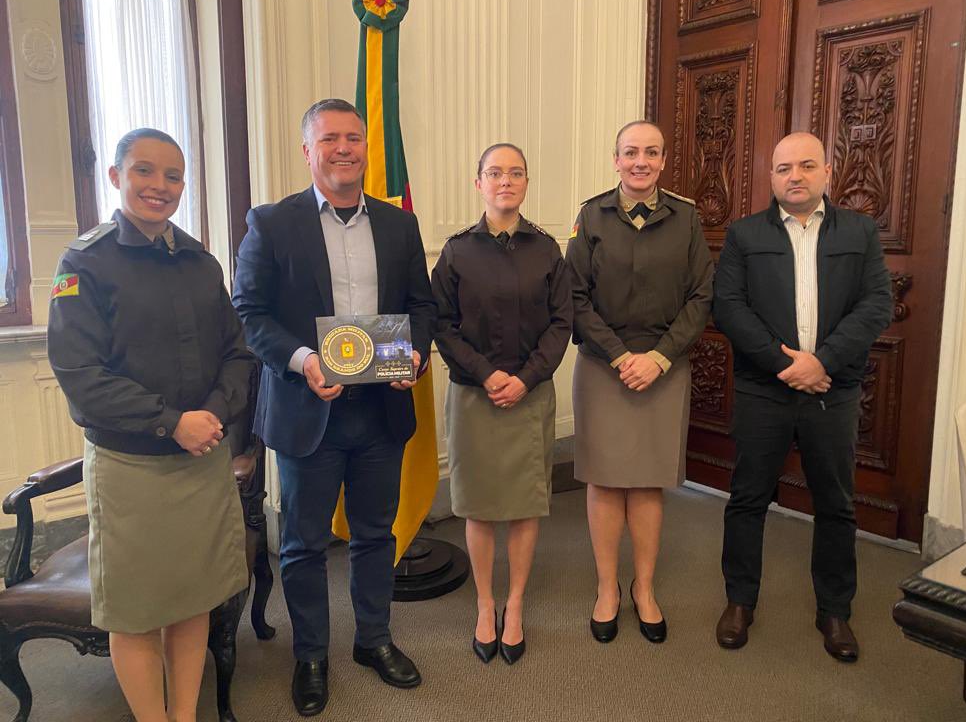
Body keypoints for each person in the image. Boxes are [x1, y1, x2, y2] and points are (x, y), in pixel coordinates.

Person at [231, 99, 436, 716]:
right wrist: (302, 360)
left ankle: (374, 640)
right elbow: (249, 314)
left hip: (381, 412)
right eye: (329, 139)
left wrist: (414, 356)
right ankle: (311, 654)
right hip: (306, 409)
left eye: (353, 137)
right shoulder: (271, 222)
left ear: (367, 146)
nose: (343, 148)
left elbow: (422, 306)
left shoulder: (400, 225)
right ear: (308, 151)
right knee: (302, 544)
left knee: (377, 535)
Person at [47, 128, 252, 722]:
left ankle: (183, 716)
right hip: (131, 469)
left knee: (192, 600)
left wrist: (211, 414)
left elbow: (237, 355)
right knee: (137, 612)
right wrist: (171, 423)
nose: (159, 187)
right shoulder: (83, 261)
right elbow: (82, 376)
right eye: (144, 171)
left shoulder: (199, 260)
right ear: (116, 176)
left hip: (200, 461)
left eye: (172, 176)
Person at [711, 131, 892, 662]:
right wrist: (789, 365)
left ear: (827, 172)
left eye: (806, 165)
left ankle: (834, 610)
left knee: (836, 503)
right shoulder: (744, 234)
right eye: (784, 167)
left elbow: (877, 304)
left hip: (831, 391)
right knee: (747, 498)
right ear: (772, 178)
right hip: (763, 389)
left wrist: (823, 363)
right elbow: (729, 307)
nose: (795, 176)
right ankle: (739, 601)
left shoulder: (860, 232)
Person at [565, 121, 713, 644]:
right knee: (605, 480)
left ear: (664, 161)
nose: (640, 161)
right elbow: (574, 297)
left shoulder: (687, 218)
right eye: (631, 153)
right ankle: (607, 589)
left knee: (648, 482)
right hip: (605, 366)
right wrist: (621, 355)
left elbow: (701, 297)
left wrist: (658, 357)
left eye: (651, 152)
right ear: (616, 159)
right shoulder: (592, 216)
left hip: (663, 367)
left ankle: (644, 589)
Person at [431, 143, 572, 665]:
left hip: (530, 395)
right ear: (479, 183)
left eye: (515, 173)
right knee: (481, 505)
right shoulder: (456, 252)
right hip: (475, 396)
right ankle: (485, 605)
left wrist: (526, 377)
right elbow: (441, 324)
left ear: (527, 183)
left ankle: (515, 605)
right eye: (495, 173)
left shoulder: (547, 250)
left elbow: (563, 324)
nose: (505, 181)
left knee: (524, 503)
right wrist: (488, 374)